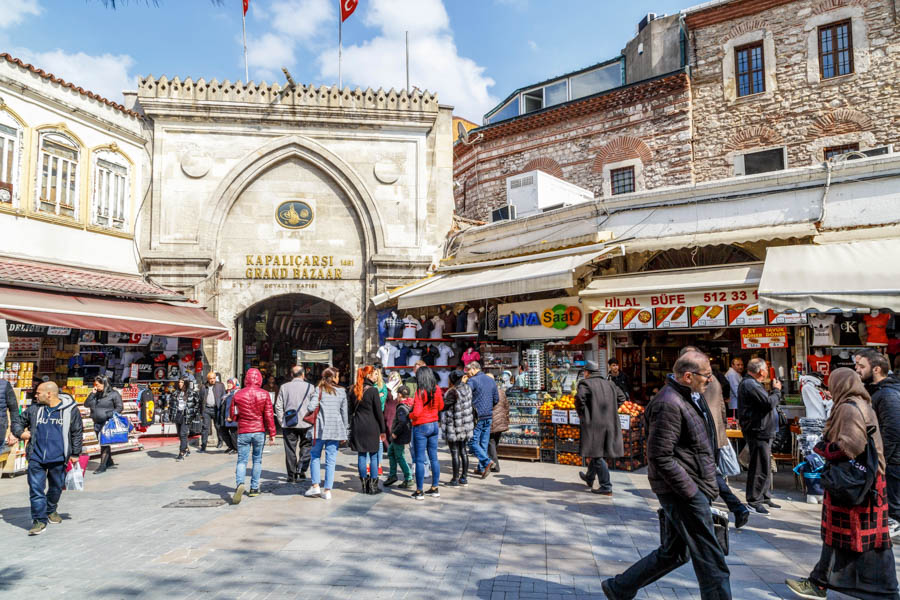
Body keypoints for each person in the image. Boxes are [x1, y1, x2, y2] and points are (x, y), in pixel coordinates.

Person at [602, 351, 730, 600]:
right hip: (682, 492)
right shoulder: (668, 403)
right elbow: (660, 456)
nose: (710, 380)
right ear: (688, 376)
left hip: (691, 487)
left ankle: (620, 587)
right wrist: (692, 493)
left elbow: (698, 448)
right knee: (711, 560)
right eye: (706, 375)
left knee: (675, 552)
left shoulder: (689, 397)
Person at [786, 367, 899, 600]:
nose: (829, 388)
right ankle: (820, 582)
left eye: (832, 383)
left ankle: (883, 590)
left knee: (864, 539)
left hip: (855, 484)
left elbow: (849, 447)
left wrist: (821, 449)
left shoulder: (849, 408)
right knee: (845, 537)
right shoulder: (860, 402)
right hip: (863, 482)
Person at [681, 347, 750, 528]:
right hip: (714, 435)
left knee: (707, 474)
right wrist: (721, 432)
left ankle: (715, 511)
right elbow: (721, 409)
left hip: (701, 435)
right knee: (710, 473)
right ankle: (732, 508)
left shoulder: (695, 381)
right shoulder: (715, 380)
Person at [11, 382, 83, 536]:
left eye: (38, 393)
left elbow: (77, 432)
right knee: (36, 490)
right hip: (36, 457)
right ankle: (39, 520)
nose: (35, 396)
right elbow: (18, 421)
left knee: (56, 488)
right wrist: (20, 433)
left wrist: (75, 453)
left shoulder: (70, 410)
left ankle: (51, 509)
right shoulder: (34, 410)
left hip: (58, 457)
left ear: (49, 394)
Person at [856, 349, 900, 536]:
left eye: (861, 366)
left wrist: (882, 458)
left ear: (876, 369)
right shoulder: (878, 392)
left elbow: (893, 429)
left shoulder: (888, 394)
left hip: (893, 460)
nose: (857, 369)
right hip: (888, 458)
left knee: (894, 505)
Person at [738, 357, 782, 514]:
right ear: (761, 371)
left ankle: (764, 495)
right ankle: (754, 499)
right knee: (758, 465)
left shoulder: (753, 384)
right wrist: (777, 390)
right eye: (766, 369)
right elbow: (767, 403)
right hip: (758, 430)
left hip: (763, 430)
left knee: (765, 464)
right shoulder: (750, 384)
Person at [575, 360, 626, 495]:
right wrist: (611, 410)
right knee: (596, 450)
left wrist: (583, 413)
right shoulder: (610, 384)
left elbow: (580, 399)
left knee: (597, 454)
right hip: (610, 422)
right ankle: (590, 477)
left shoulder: (585, 383)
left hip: (594, 424)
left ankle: (606, 485)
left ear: (587, 372)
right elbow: (622, 397)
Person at [230, 368, 276, 504]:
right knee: (257, 460)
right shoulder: (264, 394)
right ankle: (254, 488)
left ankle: (239, 484)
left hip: (244, 430)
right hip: (258, 430)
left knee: (241, 460)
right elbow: (268, 416)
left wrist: (240, 419)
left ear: (246, 379)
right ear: (259, 379)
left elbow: (233, 415)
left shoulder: (238, 395)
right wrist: (272, 433)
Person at [304, 367, 349, 500]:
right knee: (331, 460)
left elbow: (310, 407)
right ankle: (327, 490)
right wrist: (345, 432)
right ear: (333, 377)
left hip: (320, 429)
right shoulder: (342, 392)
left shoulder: (319, 390)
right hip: (335, 429)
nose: (339, 378)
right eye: (337, 376)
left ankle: (316, 486)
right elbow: (344, 414)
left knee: (315, 456)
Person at [274, 365, 315, 483]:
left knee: (290, 449)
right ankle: (301, 470)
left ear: (291, 375)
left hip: (289, 423)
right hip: (306, 423)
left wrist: (282, 421)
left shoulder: (284, 387)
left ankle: (291, 475)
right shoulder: (310, 387)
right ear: (303, 375)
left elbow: (278, 406)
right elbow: (315, 405)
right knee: (306, 447)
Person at [349, 365, 386, 494]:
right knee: (374, 455)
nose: (376, 376)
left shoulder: (353, 389)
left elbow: (350, 411)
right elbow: (378, 413)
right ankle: (373, 486)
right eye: (375, 374)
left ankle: (364, 485)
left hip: (358, 426)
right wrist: (383, 430)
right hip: (372, 427)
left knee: (361, 455)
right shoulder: (373, 391)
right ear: (368, 375)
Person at [410, 366, 444, 499]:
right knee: (434, 457)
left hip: (421, 426)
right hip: (434, 425)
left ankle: (419, 491)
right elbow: (441, 406)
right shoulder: (437, 390)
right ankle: (435, 487)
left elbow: (417, 412)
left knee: (419, 459)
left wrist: (410, 415)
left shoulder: (420, 391)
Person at [441, 370, 474, 486]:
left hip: (454, 425)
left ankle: (455, 479)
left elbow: (443, 406)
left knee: (454, 452)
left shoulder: (453, 392)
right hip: (465, 425)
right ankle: (464, 477)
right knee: (463, 451)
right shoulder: (467, 388)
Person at [84, 376, 123, 474]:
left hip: (107, 422)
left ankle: (102, 465)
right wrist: (92, 394)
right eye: (95, 384)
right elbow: (86, 404)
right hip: (96, 422)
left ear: (104, 383)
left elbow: (119, 407)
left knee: (104, 443)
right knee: (103, 442)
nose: (96, 386)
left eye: (97, 384)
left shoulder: (114, 394)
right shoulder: (96, 394)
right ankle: (109, 461)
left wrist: (108, 415)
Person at [466, 361, 498, 477]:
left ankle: (486, 461)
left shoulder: (472, 381)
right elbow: (496, 399)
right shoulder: (491, 380)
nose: (468, 373)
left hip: (477, 416)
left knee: (472, 442)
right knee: (483, 442)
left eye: (468, 370)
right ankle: (481, 468)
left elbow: (465, 396)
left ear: (474, 369)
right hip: (488, 415)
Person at [384, 385, 414, 488]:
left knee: (400, 456)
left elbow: (402, 422)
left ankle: (408, 477)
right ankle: (392, 475)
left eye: (397, 394)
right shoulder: (408, 404)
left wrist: (395, 433)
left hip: (399, 437)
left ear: (400, 395)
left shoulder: (402, 407)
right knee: (391, 452)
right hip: (400, 436)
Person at [167, 378, 200, 461]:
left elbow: (196, 404)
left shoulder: (192, 393)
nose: (180, 384)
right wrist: (171, 414)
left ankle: (181, 453)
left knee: (183, 434)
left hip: (186, 415)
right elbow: (171, 404)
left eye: (182, 382)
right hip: (178, 414)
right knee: (179, 434)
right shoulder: (175, 393)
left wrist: (192, 414)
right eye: (179, 382)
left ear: (186, 383)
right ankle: (186, 448)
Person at [197, 371, 226, 452]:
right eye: (211, 379)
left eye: (214, 378)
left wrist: (222, 410)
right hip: (206, 409)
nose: (212, 380)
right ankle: (203, 445)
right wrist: (201, 412)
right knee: (205, 427)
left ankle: (220, 441)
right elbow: (200, 399)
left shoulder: (220, 386)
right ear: (208, 379)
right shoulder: (203, 387)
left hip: (216, 409)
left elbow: (224, 397)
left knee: (218, 426)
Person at [488, 374, 509, 473]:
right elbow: (506, 407)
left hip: (492, 421)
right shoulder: (501, 392)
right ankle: (492, 460)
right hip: (501, 422)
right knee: (494, 442)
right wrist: (506, 420)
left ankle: (495, 466)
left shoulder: (487, 391)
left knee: (491, 442)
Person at [373, 368, 391, 477]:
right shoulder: (371, 386)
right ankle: (370, 464)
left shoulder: (382, 386)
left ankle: (378, 464)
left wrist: (376, 396)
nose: (374, 376)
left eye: (376, 374)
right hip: (370, 415)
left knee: (379, 441)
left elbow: (381, 401)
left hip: (379, 414)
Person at [221, 378, 239, 454]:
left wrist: (231, 417)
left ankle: (236, 448)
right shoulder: (227, 393)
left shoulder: (236, 394)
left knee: (233, 433)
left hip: (231, 416)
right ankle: (231, 446)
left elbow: (236, 407)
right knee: (223, 431)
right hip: (224, 416)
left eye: (230, 383)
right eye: (228, 383)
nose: (228, 385)